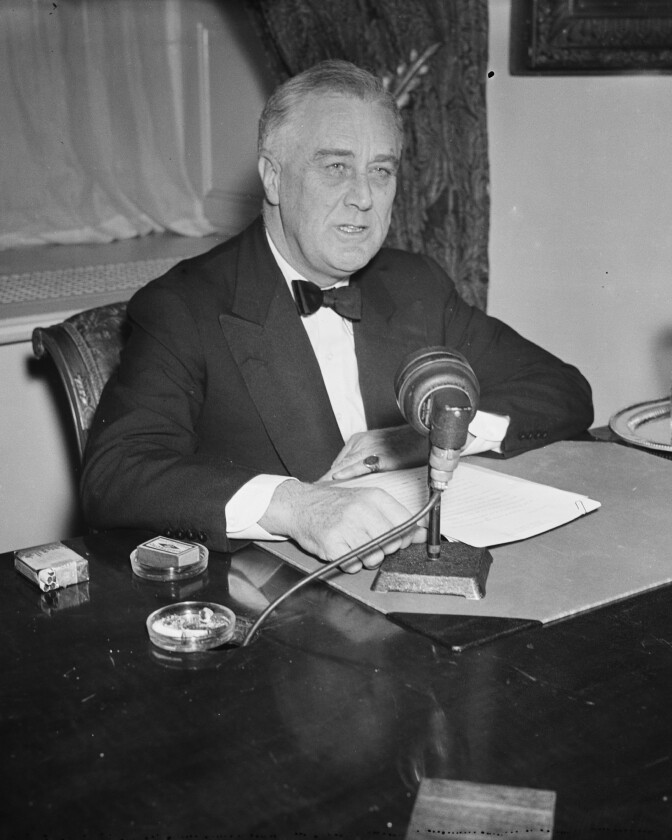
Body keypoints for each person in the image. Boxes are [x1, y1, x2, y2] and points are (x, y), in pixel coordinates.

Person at [81, 60, 593, 572]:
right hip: (277, 603)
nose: (365, 198)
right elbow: (115, 474)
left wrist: (432, 432)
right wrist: (296, 506)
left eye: (381, 171)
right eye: (336, 167)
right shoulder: (184, 305)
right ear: (274, 178)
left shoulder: (416, 285)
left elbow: (563, 392)